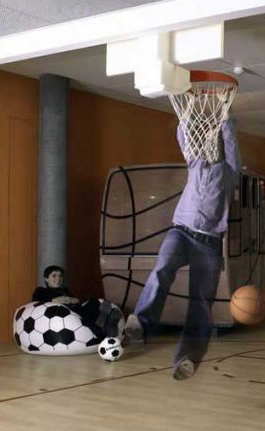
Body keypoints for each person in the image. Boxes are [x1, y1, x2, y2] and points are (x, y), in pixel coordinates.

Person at [124, 117, 241, 380]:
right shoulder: (195, 163)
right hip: (180, 233)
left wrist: (225, 118)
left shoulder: (231, 171)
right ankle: (140, 324)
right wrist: (186, 118)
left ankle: (187, 358)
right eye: (208, 142)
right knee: (162, 269)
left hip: (209, 242)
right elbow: (184, 138)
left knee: (201, 303)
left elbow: (232, 143)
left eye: (216, 142)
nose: (211, 145)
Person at [32, 265, 123, 340]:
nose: (58, 278)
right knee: (87, 314)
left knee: (93, 301)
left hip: (75, 309)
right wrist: (55, 300)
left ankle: (106, 323)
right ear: (46, 278)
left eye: (60, 276)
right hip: (62, 314)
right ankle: (105, 328)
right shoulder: (41, 290)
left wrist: (71, 299)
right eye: (54, 276)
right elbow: (36, 303)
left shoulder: (65, 290)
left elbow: (76, 300)